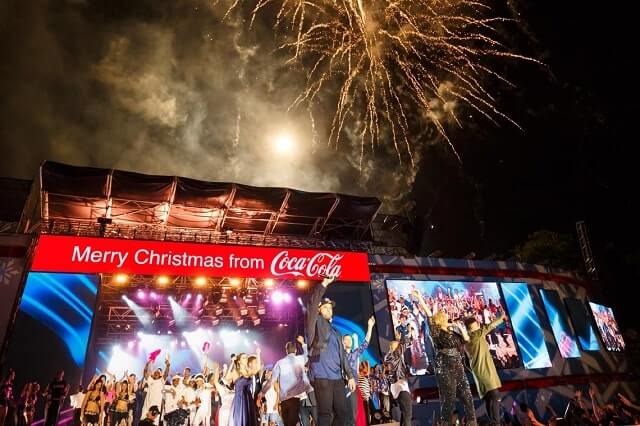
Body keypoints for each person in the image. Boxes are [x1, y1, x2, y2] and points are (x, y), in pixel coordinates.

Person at [412, 289, 477, 426]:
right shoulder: (436, 332)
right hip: (445, 365)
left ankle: (472, 422)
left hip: (458, 365)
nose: (448, 317)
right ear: (440, 320)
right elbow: (429, 314)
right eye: (445, 316)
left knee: (467, 394)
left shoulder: (453, 332)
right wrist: (419, 298)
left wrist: (460, 328)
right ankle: (445, 423)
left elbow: (466, 340)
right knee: (449, 397)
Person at [306, 275, 356, 426]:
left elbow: (343, 356)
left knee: (343, 414)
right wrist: (324, 284)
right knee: (325, 414)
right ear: (319, 310)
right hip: (322, 376)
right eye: (325, 307)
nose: (329, 309)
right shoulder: (314, 323)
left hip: (337, 378)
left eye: (330, 307)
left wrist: (350, 375)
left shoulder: (336, 332)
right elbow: (312, 304)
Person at [463, 312, 507, 425]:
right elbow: (490, 326)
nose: (479, 325)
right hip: (486, 373)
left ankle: (493, 422)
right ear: (473, 327)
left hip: (478, 375)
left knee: (488, 399)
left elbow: (466, 363)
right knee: (495, 396)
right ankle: (495, 423)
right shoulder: (476, 335)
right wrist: (501, 317)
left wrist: (474, 369)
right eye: (477, 324)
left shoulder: (466, 342)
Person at [259, 337, 313, 426]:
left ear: (286, 351)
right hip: (295, 398)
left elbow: (271, 381)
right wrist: (303, 343)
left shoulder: (279, 363)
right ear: (295, 350)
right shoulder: (299, 359)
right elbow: (306, 355)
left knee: (286, 423)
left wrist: (262, 392)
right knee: (292, 423)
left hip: (284, 399)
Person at [344, 316, 375, 426]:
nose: (349, 341)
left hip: (354, 387)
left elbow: (365, 343)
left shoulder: (354, 354)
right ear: (342, 343)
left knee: (356, 415)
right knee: (347, 416)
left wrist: (370, 327)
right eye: (346, 340)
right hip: (342, 387)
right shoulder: (339, 355)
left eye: (350, 340)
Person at [384, 332, 413, 426]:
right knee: (408, 414)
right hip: (400, 386)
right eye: (398, 346)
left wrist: (398, 340)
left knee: (405, 415)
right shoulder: (394, 356)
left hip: (398, 386)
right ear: (394, 348)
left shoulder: (390, 356)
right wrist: (407, 334)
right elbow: (407, 343)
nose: (400, 348)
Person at [228, 348, 261, 426]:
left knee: (249, 420)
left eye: (246, 357)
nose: (246, 359)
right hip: (239, 399)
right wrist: (232, 363)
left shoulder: (248, 371)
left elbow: (257, 368)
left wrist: (258, 354)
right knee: (240, 420)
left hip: (248, 399)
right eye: (243, 357)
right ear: (239, 361)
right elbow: (226, 378)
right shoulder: (235, 372)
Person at [141, 355, 170, 424]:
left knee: (154, 423)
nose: (156, 373)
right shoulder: (150, 379)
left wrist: (167, 366)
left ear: (160, 375)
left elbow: (166, 374)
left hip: (155, 408)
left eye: (158, 373)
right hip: (147, 406)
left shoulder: (162, 381)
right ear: (153, 374)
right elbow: (145, 373)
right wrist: (147, 364)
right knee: (143, 422)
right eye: (155, 372)